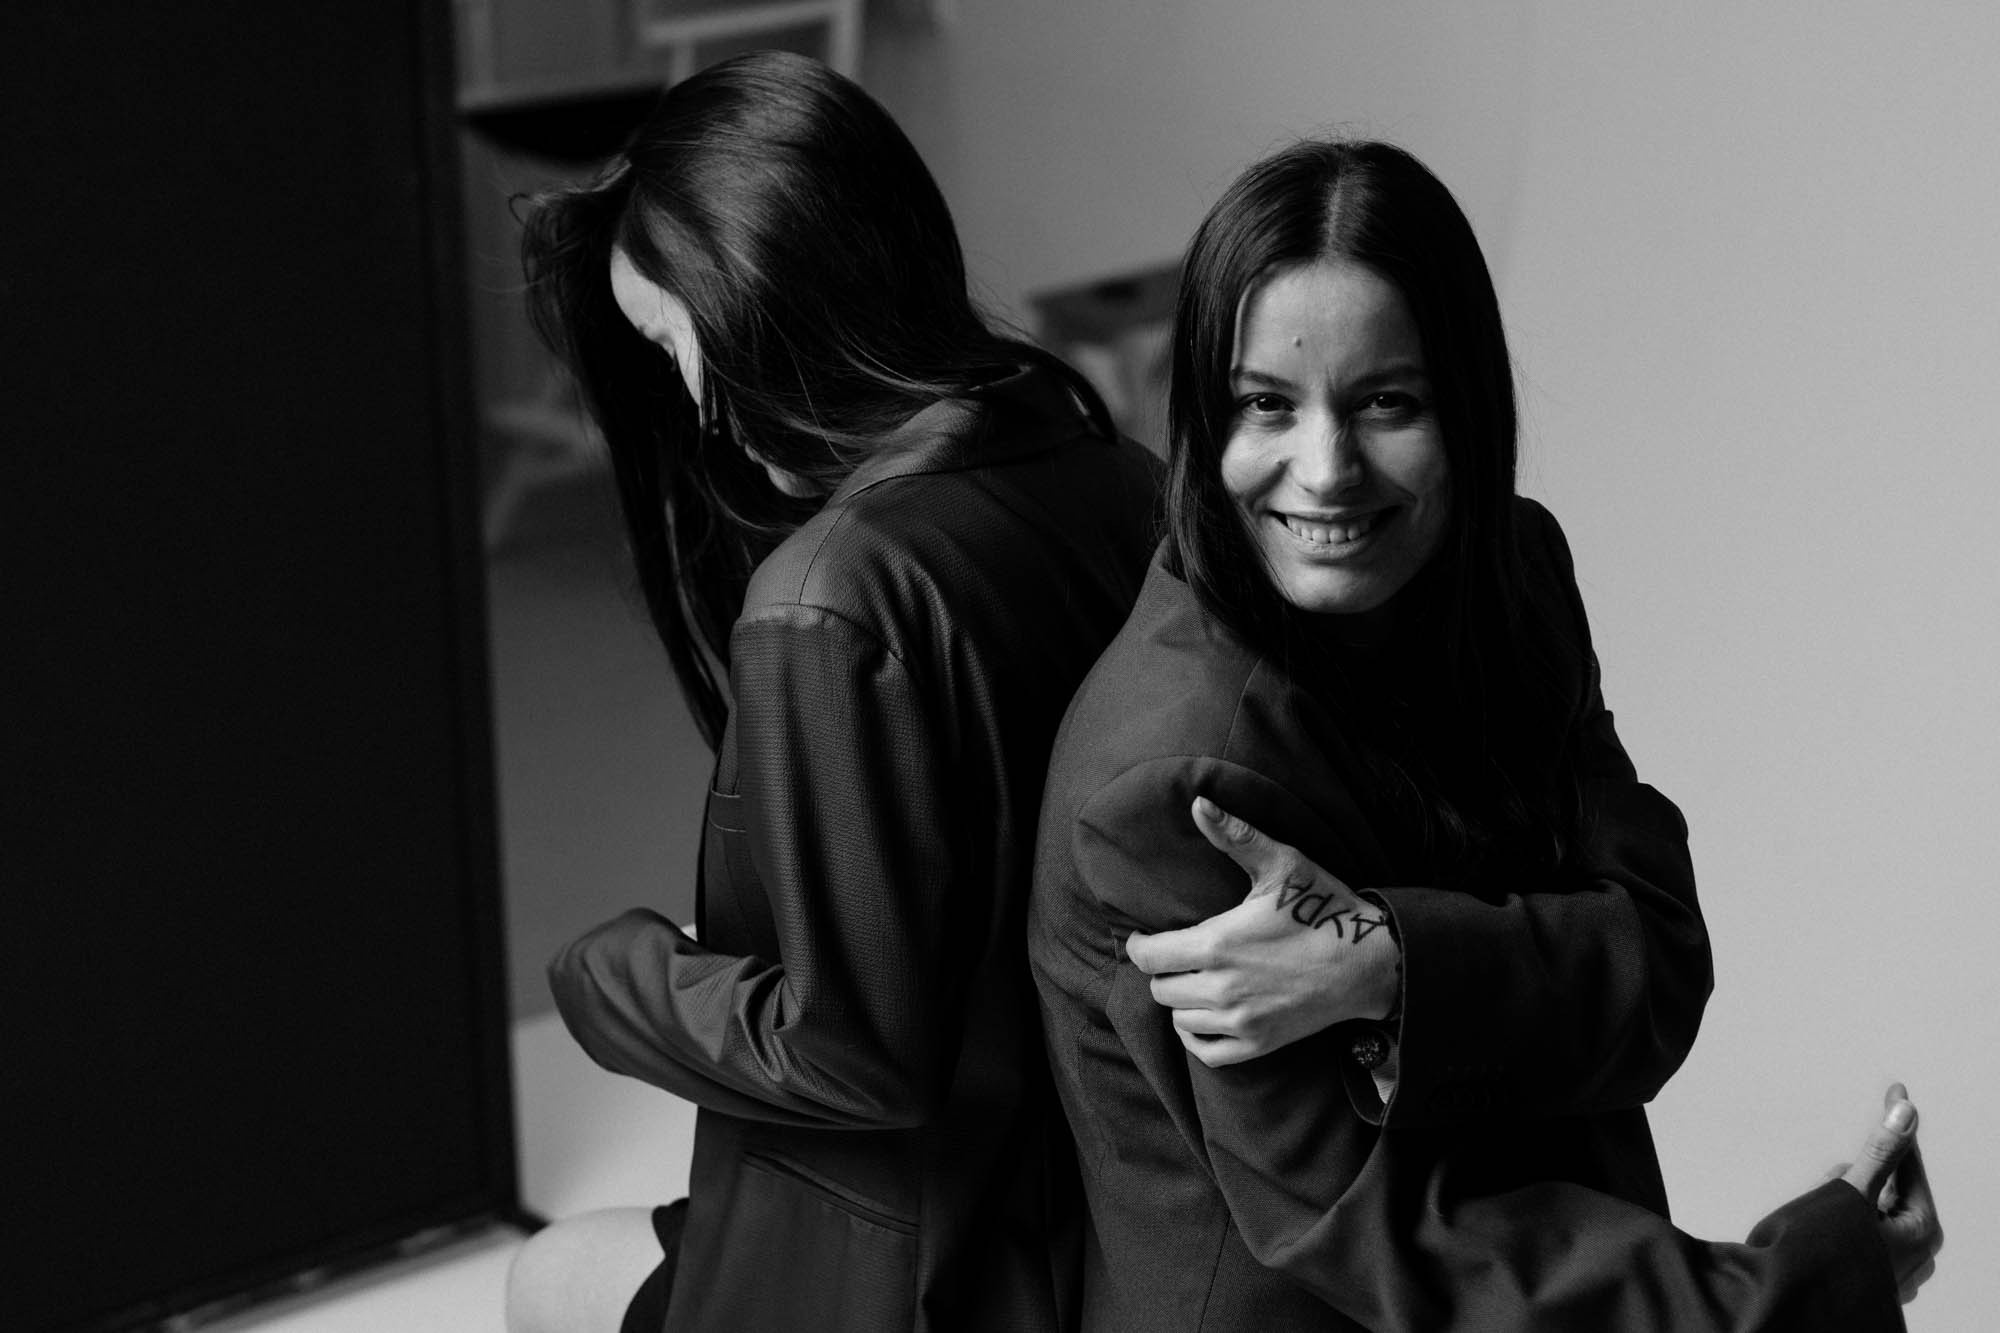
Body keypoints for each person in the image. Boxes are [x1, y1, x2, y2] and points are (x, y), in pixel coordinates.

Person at [1029, 138, 1941, 1330]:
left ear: (1465, 404)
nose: (1324, 472)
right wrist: (1804, 1285)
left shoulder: (1510, 574)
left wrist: (1384, 963)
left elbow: (1656, 960)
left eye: (1384, 402)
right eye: (1265, 404)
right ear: (1205, 416)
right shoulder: (1176, 780)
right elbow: (1390, 1231)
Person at [502, 51, 1161, 1333]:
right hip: (1102, 1216)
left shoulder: (830, 598)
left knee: (544, 1280)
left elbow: (852, 1052)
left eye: (680, 342)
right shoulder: (1105, 464)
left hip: (933, 1263)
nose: (691, 404)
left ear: (765, 308)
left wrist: (616, 972)